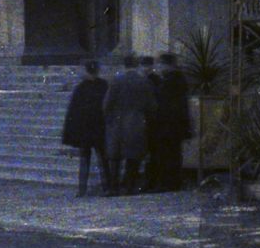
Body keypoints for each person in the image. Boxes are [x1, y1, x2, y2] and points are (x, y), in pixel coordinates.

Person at [61, 60, 111, 196]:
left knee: (86, 160)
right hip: (99, 128)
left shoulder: (81, 88)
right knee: (103, 159)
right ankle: (107, 187)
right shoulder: (104, 85)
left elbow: (73, 111)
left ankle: (82, 189)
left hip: (86, 130)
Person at [103, 54, 152, 195]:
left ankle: (113, 187)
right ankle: (129, 186)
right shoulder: (143, 82)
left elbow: (106, 104)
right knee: (133, 156)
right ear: (136, 65)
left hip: (118, 123)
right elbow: (152, 105)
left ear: (124, 65)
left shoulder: (116, 81)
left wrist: (109, 119)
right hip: (136, 122)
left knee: (116, 157)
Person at [147, 49, 193, 191]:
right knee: (174, 153)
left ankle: (168, 182)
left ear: (166, 65)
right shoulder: (177, 79)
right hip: (176, 124)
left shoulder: (170, 81)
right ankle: (173, 182)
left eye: (161, 65)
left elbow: (163, 102)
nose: (159, 68)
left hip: (168, 125)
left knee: (167, 154)